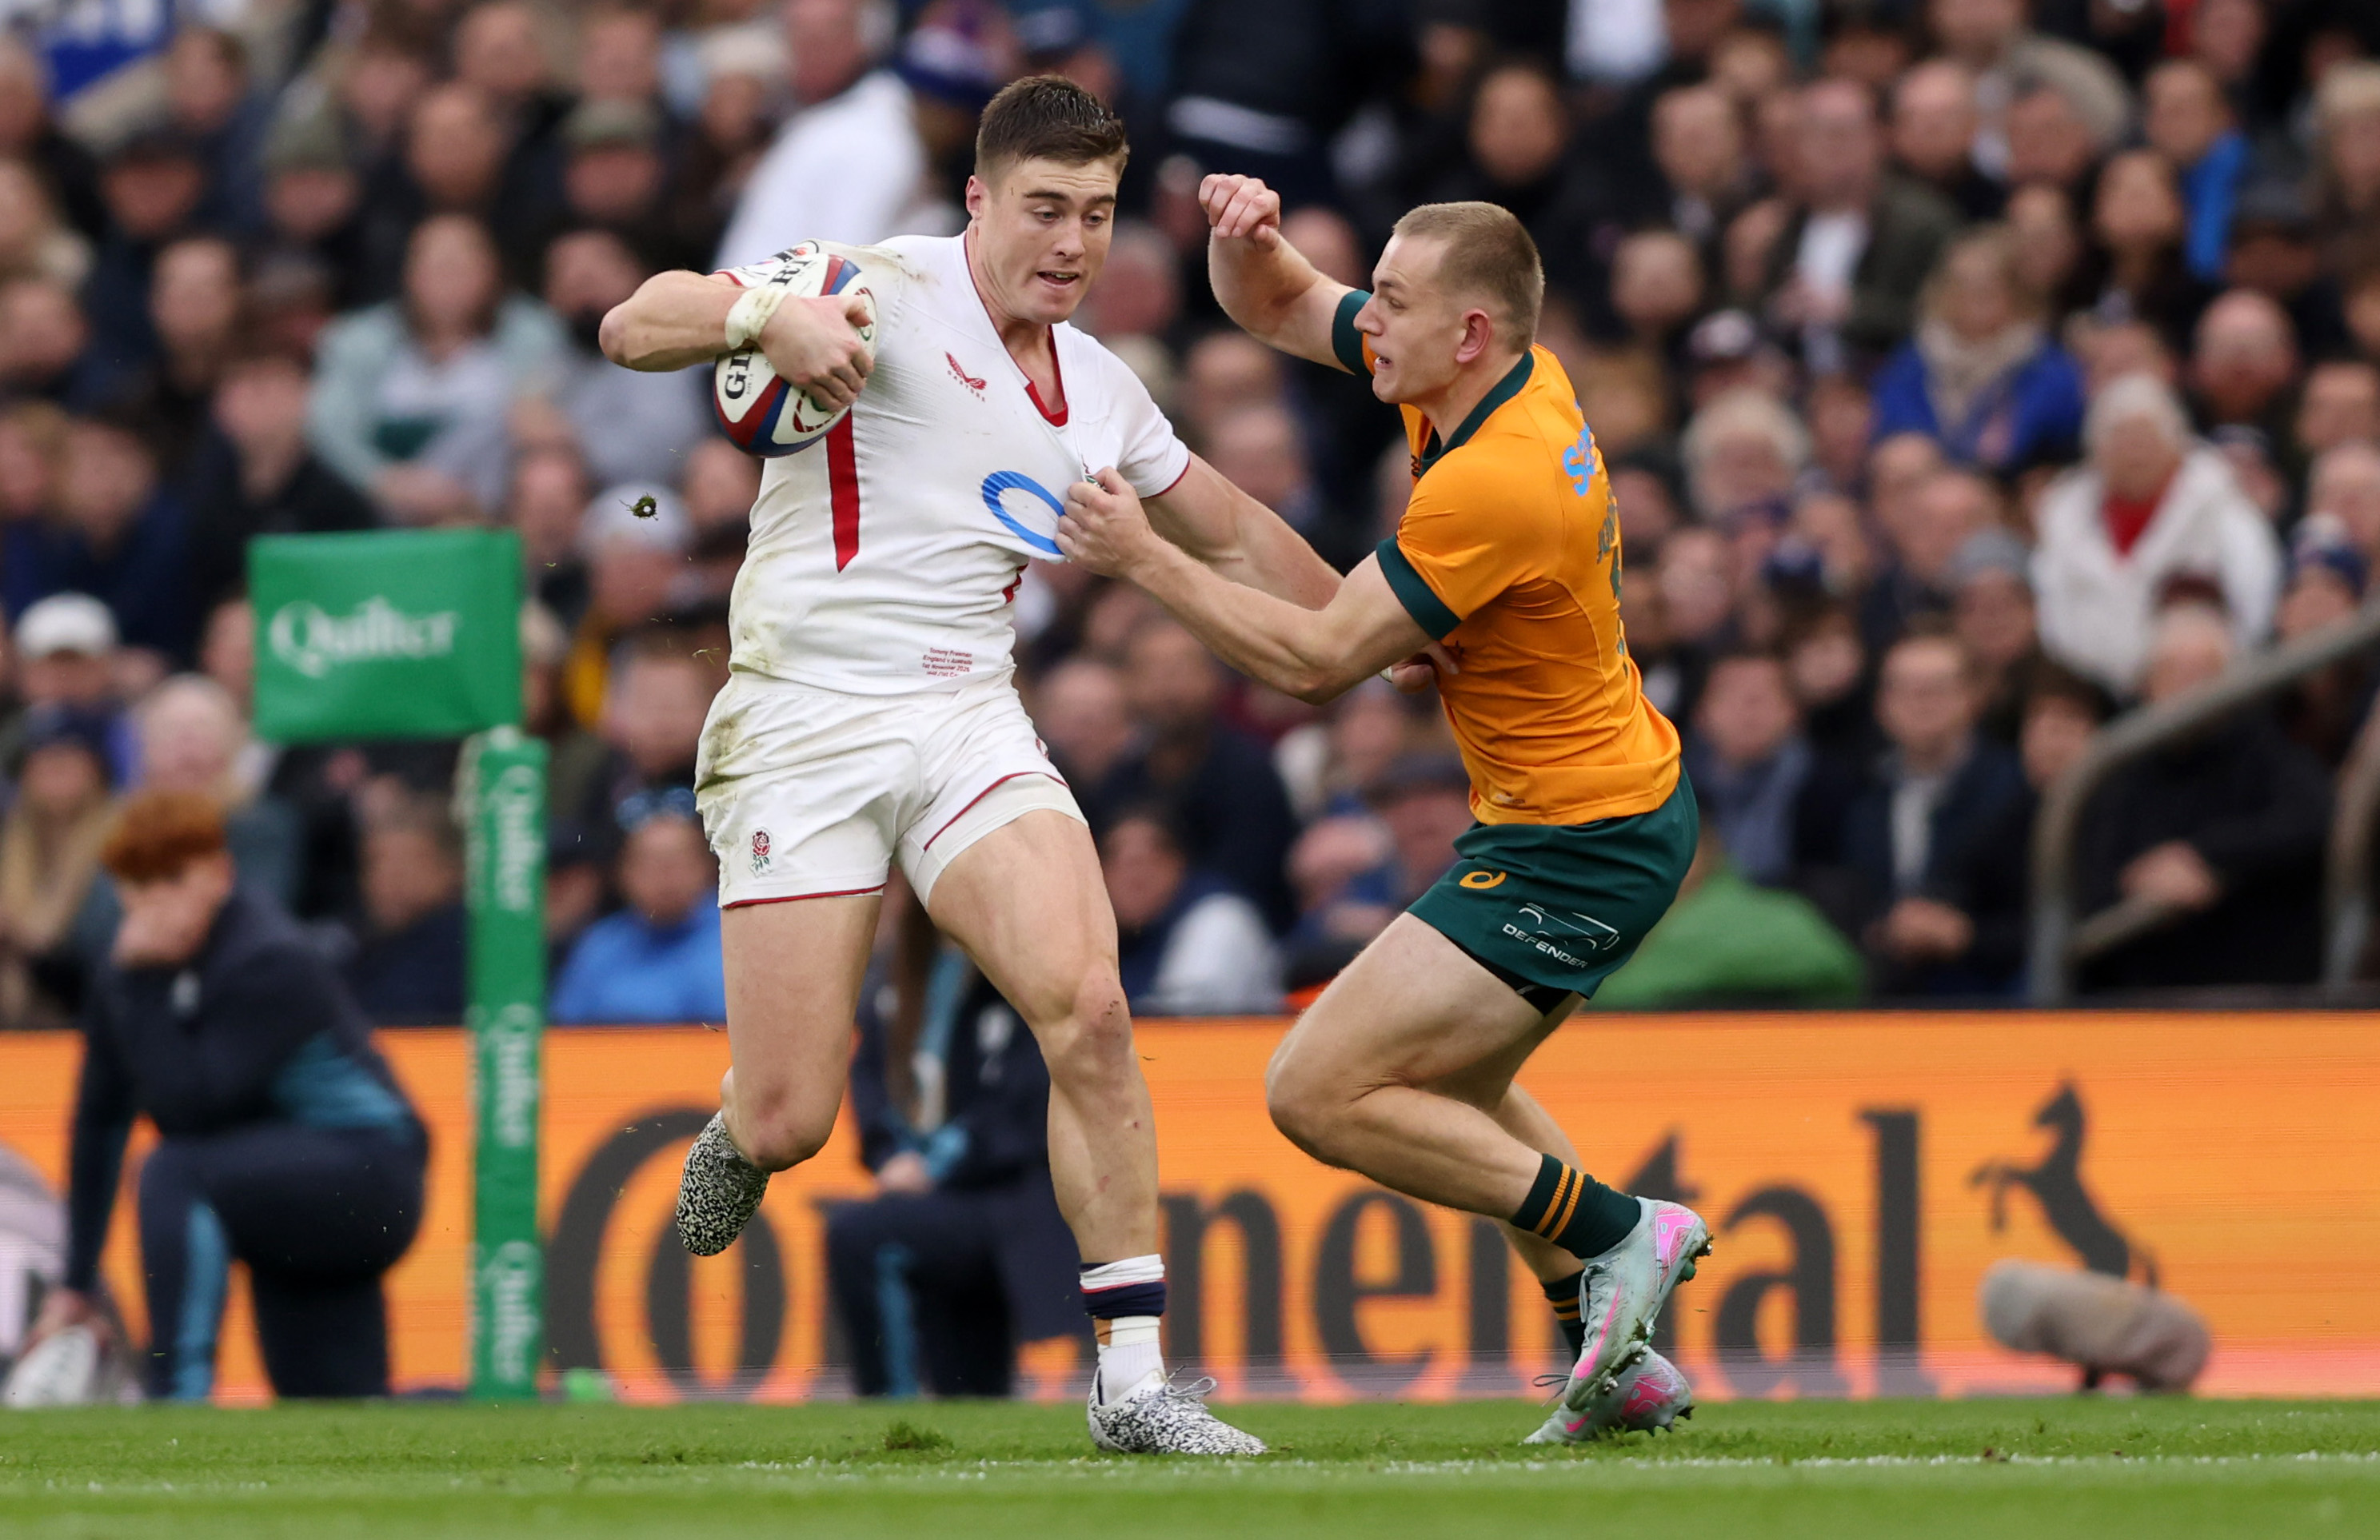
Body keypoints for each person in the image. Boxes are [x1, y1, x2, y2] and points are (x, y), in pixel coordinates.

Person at [600, 77, 1312, 1454]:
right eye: (1046, 207)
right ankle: (744, 1135)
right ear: (980, 199)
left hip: (968, 718)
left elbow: (1230, 532)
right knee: (799, 1113)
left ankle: (1133, 1386)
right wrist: (764, 314)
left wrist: (1380, 627)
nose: (1073, 242)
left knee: (1090, 1008)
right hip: (803, 721)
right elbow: (637, 323)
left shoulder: (1102, 389)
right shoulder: (876, 283)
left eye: (1098, 214)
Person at [1059, 179, 1710, 1446]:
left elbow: (1314, 665)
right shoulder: (1493, 369)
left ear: (1469, 330)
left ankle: (1626, 1233)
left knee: (1317, 1089)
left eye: (1395, 306)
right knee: (1451, 1089)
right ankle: (1609, 1349)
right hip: (1576, 813)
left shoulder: (1499, 479)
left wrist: (1146, 559)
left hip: (1583, 844)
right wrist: (1241, 243)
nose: (1373, 328)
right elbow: (1286, 302)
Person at [29, 791, 426, 1400]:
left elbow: (193, 1107)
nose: (152, 900)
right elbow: (99, 1121)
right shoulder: (129, 971)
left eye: (172, 878)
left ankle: (176, 1393)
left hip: (370, 1175)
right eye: (135, 883)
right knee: (331, 1404)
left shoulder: (268, 958)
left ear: (219, 873)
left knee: (172, 1172)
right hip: (280, 1179)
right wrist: (76, 1283)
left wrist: (140, 984)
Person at [827, 932, 1082, 1397]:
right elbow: (869, 1076)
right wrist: (888, 1155)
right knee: (969, 1386)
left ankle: (890, 1404)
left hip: (1006, 1201)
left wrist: (935, 1164)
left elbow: (1026, 1100)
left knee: (858, 1236)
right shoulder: (899, 981)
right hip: (948, 1205)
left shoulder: (1022, 981)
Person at [2031, 373, 2279, 696]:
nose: (2134, 450)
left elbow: (2254, 600)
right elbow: (2052, 607)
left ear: (2177, 443)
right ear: (2096, 450)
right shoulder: (2064, 520)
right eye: (2120, 437)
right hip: (2091, 692)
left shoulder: (2224, 511)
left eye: (2145, 436)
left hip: (2203, 694)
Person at [549, 791, 727, 1024]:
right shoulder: (600, 945)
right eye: (650, 862)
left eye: (678, 860)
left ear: (708, 867)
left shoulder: (737, 937)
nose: (666, 876)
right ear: (622, 873)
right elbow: (564, 1034)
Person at [1100, 806, 1281, 1015]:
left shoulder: (1219, 919)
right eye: (1116, 858)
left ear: (1180, 863)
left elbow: (1182, 1019)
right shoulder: (1109, 933)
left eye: (1153, 856)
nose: (1134, 874)